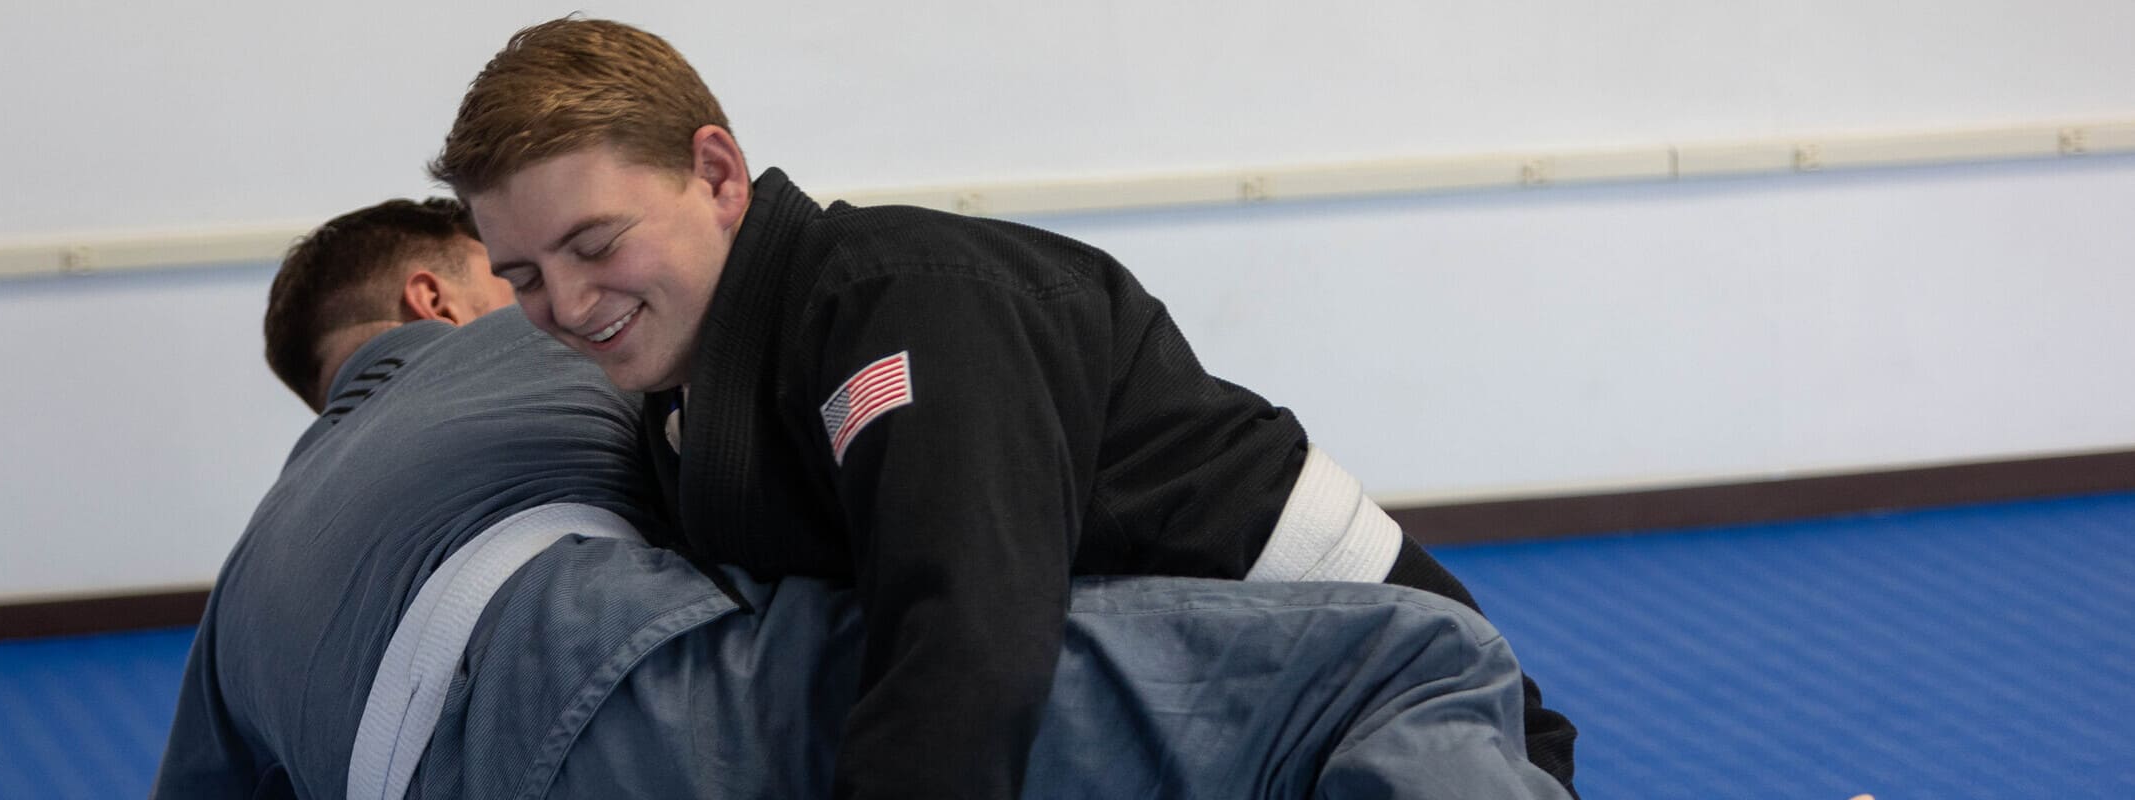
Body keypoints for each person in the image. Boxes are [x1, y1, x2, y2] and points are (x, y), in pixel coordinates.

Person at [433, 18, 1579, 799]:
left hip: (1391, 709)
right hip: (1190, 702)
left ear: (720, 176)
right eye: (524, 276)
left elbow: (961, 647)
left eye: (596, 243)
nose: (569, 304)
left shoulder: (898, 308)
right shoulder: (698, 400)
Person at [153, 198, 1568, 799]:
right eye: (518, 266)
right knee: (1412, 664)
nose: (557, 296)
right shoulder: (546, 343)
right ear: (437, 292)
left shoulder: (261, 562)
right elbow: (943, 586)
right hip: (591, 693)